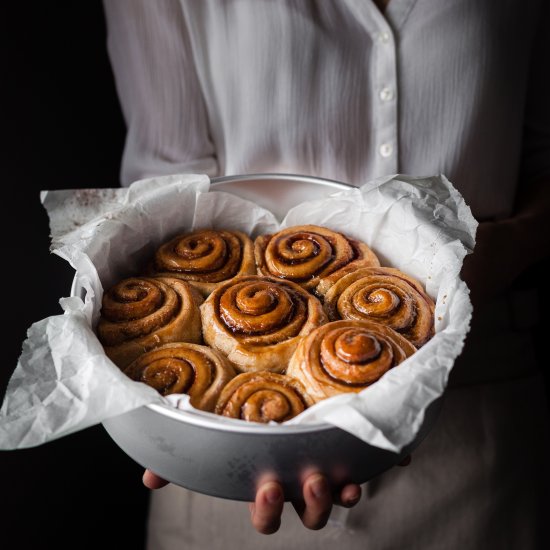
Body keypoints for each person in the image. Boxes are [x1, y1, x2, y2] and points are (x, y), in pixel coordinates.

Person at [102, 0, 550, 548]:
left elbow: (541, 158)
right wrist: (179, 433)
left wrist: (508, 246)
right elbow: (164, 188)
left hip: (474, 421)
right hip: (233, 450)